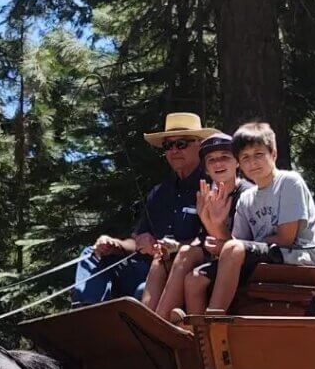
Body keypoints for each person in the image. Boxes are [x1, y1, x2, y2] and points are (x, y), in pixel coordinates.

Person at [71, 112, 216, 304]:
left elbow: (212, 243)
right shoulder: (159, 193)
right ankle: (84, 316)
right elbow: (137, 241)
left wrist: (174, 248)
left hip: (180, 273)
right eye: (168, 145)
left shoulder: (211, 188)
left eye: (181, 144)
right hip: (145, 268)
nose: (174, 150)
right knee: (91, 254)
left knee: (141, 291)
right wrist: (117, 245)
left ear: (199, 144)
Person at [185, 122, 315, 315]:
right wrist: (214, 222)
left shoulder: (289, 182)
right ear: (239, 163)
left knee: (233, 250)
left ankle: (213, 316)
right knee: (195, 279)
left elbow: (286, 238)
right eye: (245, 157)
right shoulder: (247, 198)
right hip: (260, 257)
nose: (253, 162)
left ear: (273, 154)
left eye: (259, 154)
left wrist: (238, 246)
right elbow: (232, 245)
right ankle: (195, 336)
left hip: (296, 255)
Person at [143, 133, 250, 319]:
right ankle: (147, 322)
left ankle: (159, 326)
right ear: (206, 169)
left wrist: (212, 229)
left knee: (188, 256)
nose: (218, 164)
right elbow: (203, 236)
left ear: (237, 162)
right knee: (163, 257)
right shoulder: (208, 194)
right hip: (213, 253)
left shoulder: (248, 194)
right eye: (211, 160)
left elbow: (245, 241)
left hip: (237, 256)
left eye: (225, 157)